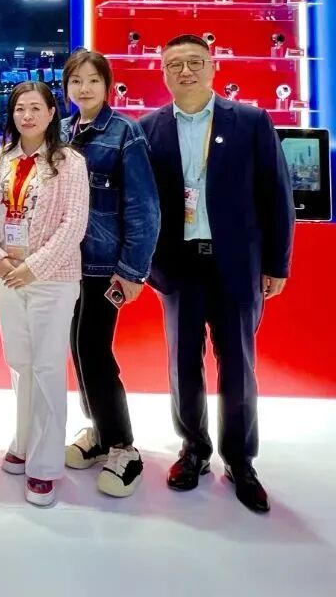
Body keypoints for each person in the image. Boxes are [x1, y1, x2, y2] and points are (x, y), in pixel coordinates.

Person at [140, 34, 294, 513]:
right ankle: (194, 449)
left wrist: (277, 263)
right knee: (183, 362)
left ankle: (241, 461)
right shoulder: (148, 129)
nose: (185, 71)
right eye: (174, 65)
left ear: (213, 67)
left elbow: (276, 195)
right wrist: (146, 266)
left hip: (235, 265)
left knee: (239, 366)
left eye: (194, 62)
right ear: (163, 74)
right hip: (179, 266)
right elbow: (141, 204)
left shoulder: (250, 121)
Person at [0, 81, 89, 506]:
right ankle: (23, 441)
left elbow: (73, 223)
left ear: (51, 113)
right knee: (19, 363)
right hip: (9, 276)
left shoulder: (69, 162)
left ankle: (45, 464)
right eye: (19, 109)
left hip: (52, 279)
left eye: (35, 108)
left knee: (46, 367)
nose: (26, 116)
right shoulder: (2, 158)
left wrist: (33, 267)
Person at [60, 49, 160, 498]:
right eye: (76, 81)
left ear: (107, 85)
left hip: (105, 266)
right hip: (66, 264)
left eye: (93, 80)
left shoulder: (125, 133)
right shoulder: (63, 132)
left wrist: (132, 271)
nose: (84, 88)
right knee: (78, 348)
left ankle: (123, 445)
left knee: (94, 350)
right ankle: (100, 431)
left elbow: (144, 208)